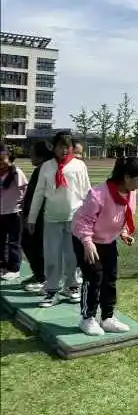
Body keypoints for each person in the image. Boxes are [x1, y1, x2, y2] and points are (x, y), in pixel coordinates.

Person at [72, 156, 138, 336]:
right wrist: (87, 242)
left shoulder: (131, 193)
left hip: (107, 241)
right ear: (126, 177)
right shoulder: (98, 194)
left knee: (110, 278)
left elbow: (124, 216)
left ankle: (107, 318)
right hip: (86, 240)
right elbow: (83, 221)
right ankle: (87, 318)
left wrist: (124, 232)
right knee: (94, 277)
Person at [26, 131, 91, 307]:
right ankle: (52, 290)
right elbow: (39, 193)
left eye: (67, 146)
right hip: (52, 218)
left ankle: (72, 286)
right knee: (52, 256)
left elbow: (87, 192)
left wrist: (89, 217)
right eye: (61, 146)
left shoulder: (79, 166)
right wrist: (32, 219)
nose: (64, 150)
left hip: (74, 218)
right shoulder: (47, 167)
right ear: (53, 148)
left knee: (71, 256)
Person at [20, 141, 53, 292]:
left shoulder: (45, 171)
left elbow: (41, 197)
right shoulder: (39, 170)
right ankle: (39, 274)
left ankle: (42, 278)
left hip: (41, 218)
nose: (30, 156)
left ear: (41, 156)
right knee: (29, 243)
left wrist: (32, 217)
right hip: (33, 217)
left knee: (37, 246)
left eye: (32, 153)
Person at [0, 143, 28, 281]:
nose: (0, 162)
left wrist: (23, 205)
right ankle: (3, 265)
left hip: (14, 212)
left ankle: (14, 268)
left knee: (13, 241)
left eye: (2, 159)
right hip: (1, 212)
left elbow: (25, 190)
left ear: (9, 157)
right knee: (1, 241)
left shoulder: (16, 172)